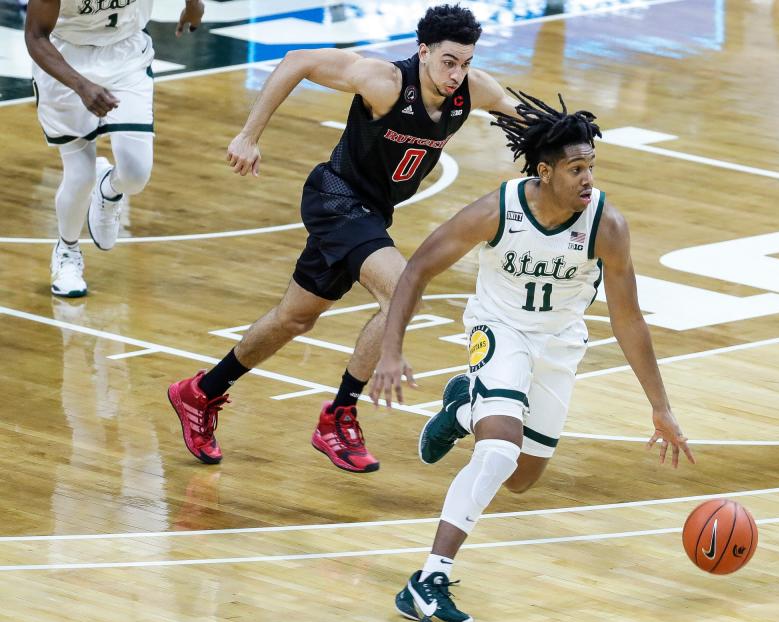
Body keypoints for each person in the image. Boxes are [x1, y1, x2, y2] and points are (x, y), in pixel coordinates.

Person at [369, 89, 696, 622]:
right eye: (575, 168)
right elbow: (419, 266)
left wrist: (660, 407)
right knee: (498, 452)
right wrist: (391, 348)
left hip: (559, 343)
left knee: (521, 478)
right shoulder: (499, 210)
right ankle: (427, 580)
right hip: (499, 330)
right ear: (545, 172)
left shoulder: (606, 225)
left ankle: (462, 410)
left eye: (590, 165)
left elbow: (628, 320)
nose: (587, 178)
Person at [167, 5, 519, 472]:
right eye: (448, 61)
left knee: (294, 319)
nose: (457, 74)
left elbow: (533, 123)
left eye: (466, 63)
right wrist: (249, 135)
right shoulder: (385, 81)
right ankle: (339, 415)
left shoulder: (473, 90)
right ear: (423, 52)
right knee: (402, 288)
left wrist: (564, 147)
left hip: (371, 214)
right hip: (336, 198)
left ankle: (201, 392)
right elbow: (297, 60)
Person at [25, 0, 205, 297]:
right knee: (80, 175)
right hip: (66, 58)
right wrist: (81, 85)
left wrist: (194, 6)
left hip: (126, 54)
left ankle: (108, 189)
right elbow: (35, 36)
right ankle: (67, 254)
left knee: (136, 175)